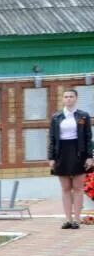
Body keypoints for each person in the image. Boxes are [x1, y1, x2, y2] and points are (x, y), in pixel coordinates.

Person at [49, 88, 94, 229]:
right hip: (61, 153)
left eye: (71, 96)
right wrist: (51, 157)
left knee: (78, 188)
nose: (68, 99)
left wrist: (89, 156)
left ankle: (76, 220)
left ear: (76, 98)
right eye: (66, 96)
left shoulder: (84, 116)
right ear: (63, 99)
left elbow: (88, 138)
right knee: (66, 188)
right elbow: (51, 139)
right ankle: (68, 219)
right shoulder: (56, 117)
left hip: (78, 152)